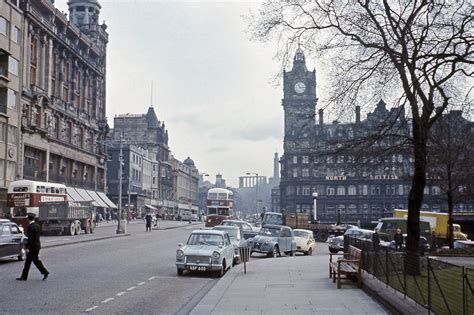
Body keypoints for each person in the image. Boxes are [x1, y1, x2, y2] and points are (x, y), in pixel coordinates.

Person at [17, 214, 49, 281]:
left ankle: (24, 277)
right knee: (36, 261)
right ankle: (45, 272)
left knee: (28, 262)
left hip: (32, 247)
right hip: (37, 246)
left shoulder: (30, 227)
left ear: (28, 219)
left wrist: (27, 248)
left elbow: (30, 238)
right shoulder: (37, 226)